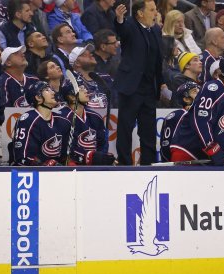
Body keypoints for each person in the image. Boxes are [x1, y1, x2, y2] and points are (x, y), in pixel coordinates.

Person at [170, 54, 224, 166]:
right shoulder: (213, 88)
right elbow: (200, 120)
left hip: (209, 155)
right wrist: (211, 147)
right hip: (189, 150)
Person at [114, 0, 164, 165]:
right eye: (151, 10)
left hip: (149, 88)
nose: (155, 13)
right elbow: (121, 29)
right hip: (131, 86)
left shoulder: (156, 30)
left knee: (148, 130)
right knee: (126, 128)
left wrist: (161, 83)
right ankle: (125, 164)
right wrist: (119, 19)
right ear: (140, 13)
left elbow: (158, 60)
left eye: (155, 9)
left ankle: (148, 164)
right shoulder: (130, 26)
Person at [11, 81, 72, 166]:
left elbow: (65, 155)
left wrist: (69, 162)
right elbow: (23, 158)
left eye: (51, 89)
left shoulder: (63, 121)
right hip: (32, 173)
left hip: (57, 172)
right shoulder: (27, 120)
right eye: (47, 90)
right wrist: (45, 165)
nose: (53, 92)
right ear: (38, 98)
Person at [58, 79, 116, 165]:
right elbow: (65, 148)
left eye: (85, 87)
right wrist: (92, 157)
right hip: (72, 164)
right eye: (81, 89)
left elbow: (102, 144)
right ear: (71, 97)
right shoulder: (62, 118)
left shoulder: (95, 116)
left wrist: (102, 158)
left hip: (93, 164)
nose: (86, 90)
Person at [159, 81, 199, 161]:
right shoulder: (179, 115)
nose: (200, 93)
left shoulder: (200, 114)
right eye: (195, 91)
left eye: (200, 90)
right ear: (186, 99)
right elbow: (166, 145)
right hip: (182, 162)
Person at [69, 44, 112, 110]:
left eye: (90, 53)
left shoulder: (105, 77)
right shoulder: (71, 83)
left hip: (111, 117)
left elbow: (115, 100)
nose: (91, 55)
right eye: (84, 55)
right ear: (77, 63)